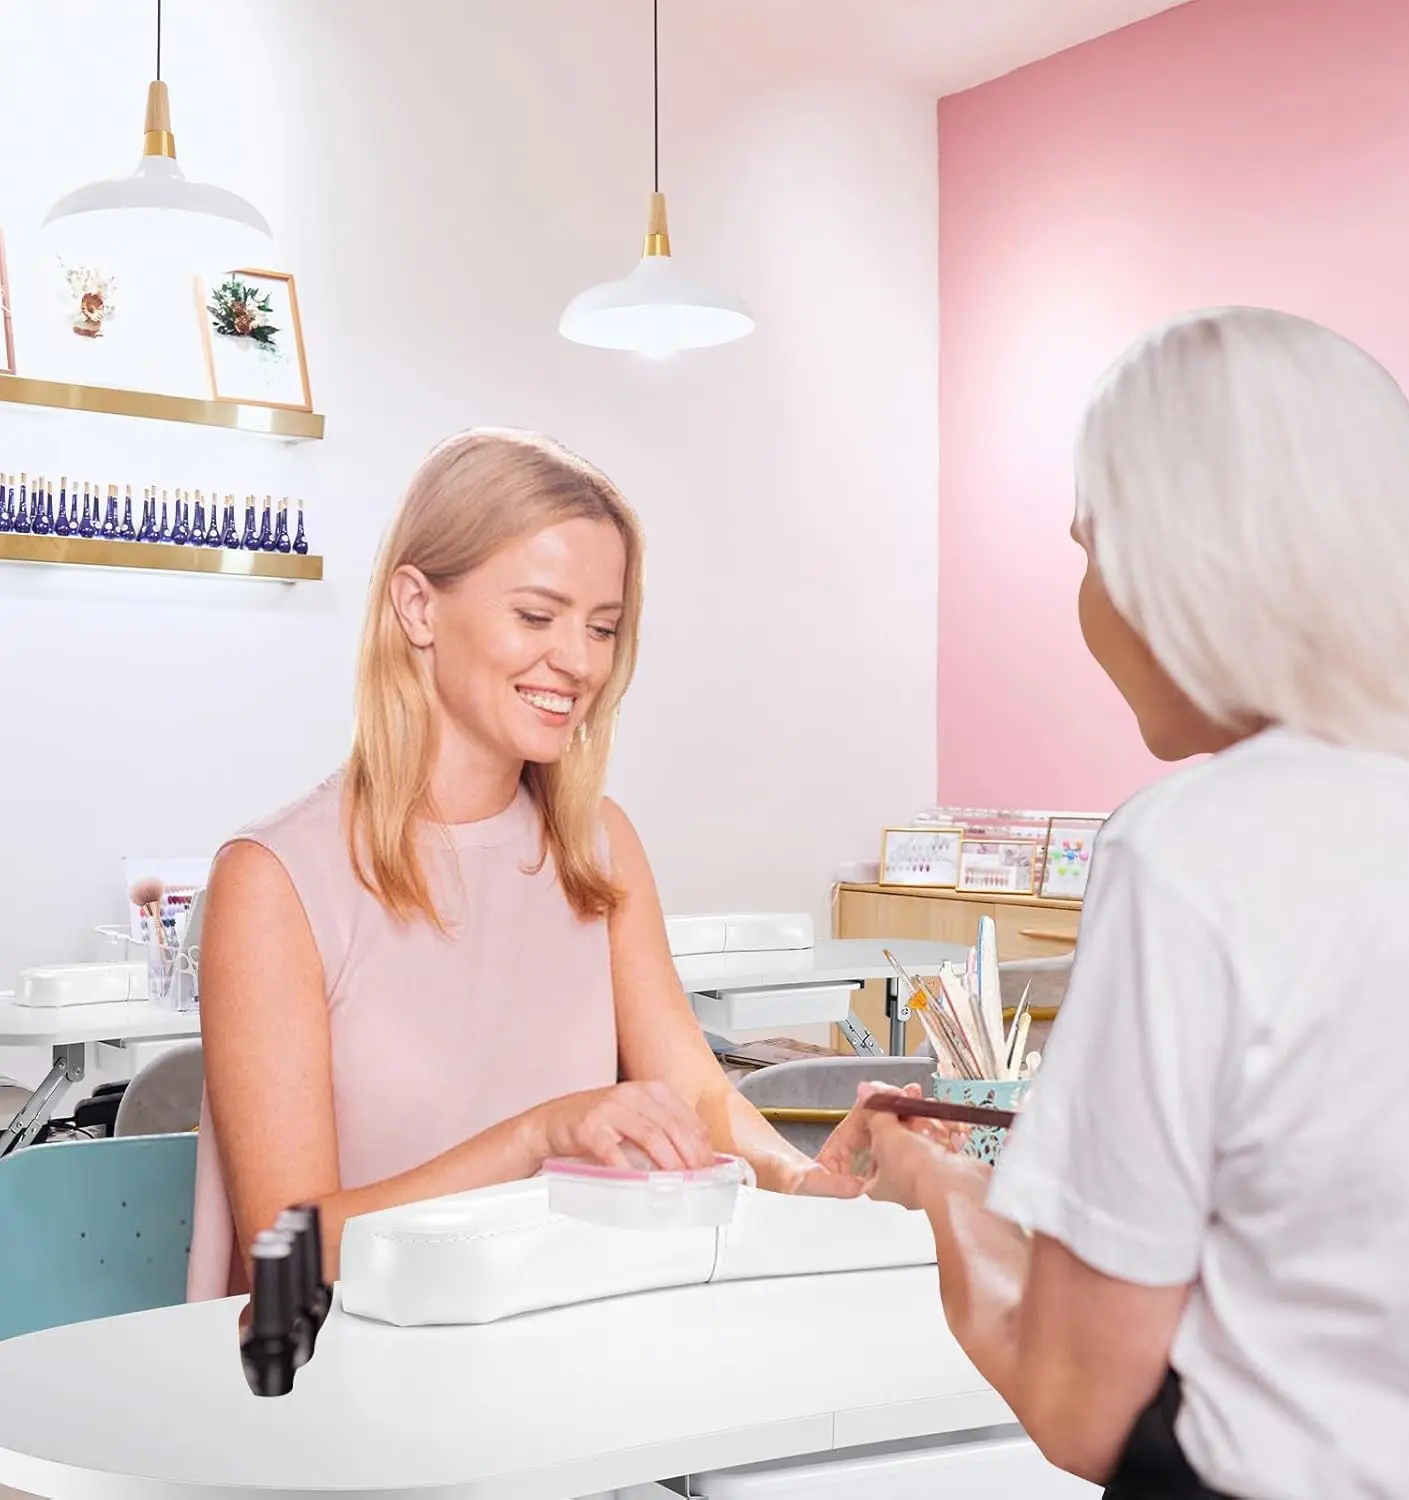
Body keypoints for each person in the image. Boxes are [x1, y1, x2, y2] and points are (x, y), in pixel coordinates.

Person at [862, 307, 1409, 1499]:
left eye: (1090, 548)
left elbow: (1074, 1401)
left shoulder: (1196, 849)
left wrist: (936, 1192)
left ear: (1182, 567)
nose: (1090, 600)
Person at [188, 428, 904, 1299]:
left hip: (562, 1348)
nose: (578, 662)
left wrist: (795, 1182)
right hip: (340, 1379)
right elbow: (285, 1248)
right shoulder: (274, 881)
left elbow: (699, 1095)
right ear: (417, 607)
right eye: (536, 616)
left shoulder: (599, 849)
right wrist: (539, 1139)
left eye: (602, 628)